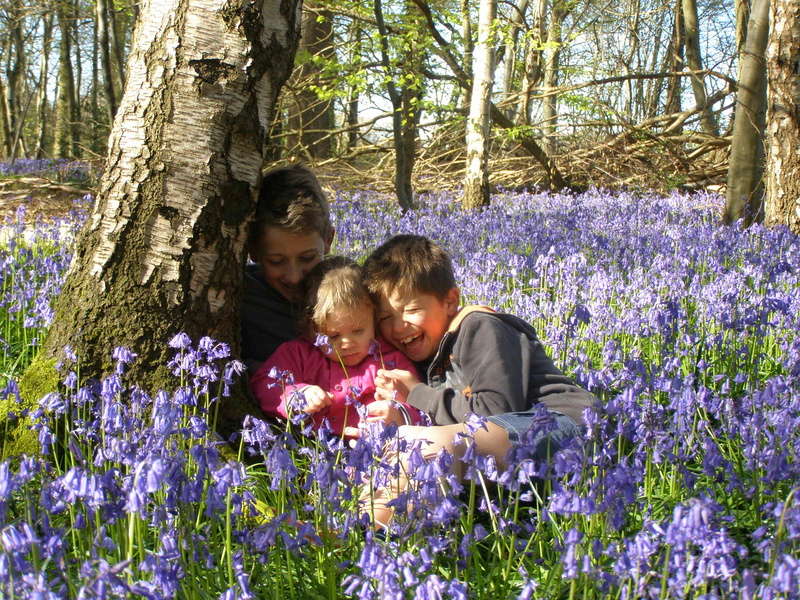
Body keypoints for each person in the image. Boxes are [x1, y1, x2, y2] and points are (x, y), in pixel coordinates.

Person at [359, 234, 596, 526]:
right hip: (515, 454)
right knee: (399, 448)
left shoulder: (479, 327)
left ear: (450, 301)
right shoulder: (421, 354)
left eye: (411, 310)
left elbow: (494, 411)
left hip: (565, 423)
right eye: (385, 318)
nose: (397, 326)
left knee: (427, 448)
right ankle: (357, 531)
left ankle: (363, 535)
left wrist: (417, 394)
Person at [250, 256, 425, 436]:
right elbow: (265, 384)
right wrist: (298, 395)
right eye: (333, 335)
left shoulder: (389, 360)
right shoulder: (299, 353)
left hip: (377, 451)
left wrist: (400, 416)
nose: (347, 343)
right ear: (311, 328)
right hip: (315, 451)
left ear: (374, 320)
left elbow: (418, 404)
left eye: (358, 331)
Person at [241, 164, 334, 373]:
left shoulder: (352, 295)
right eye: (276, 261)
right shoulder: (240, 299)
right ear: (252, 251)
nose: (293, 277)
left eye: (307, 258)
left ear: (328, 240)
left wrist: (423, 400)